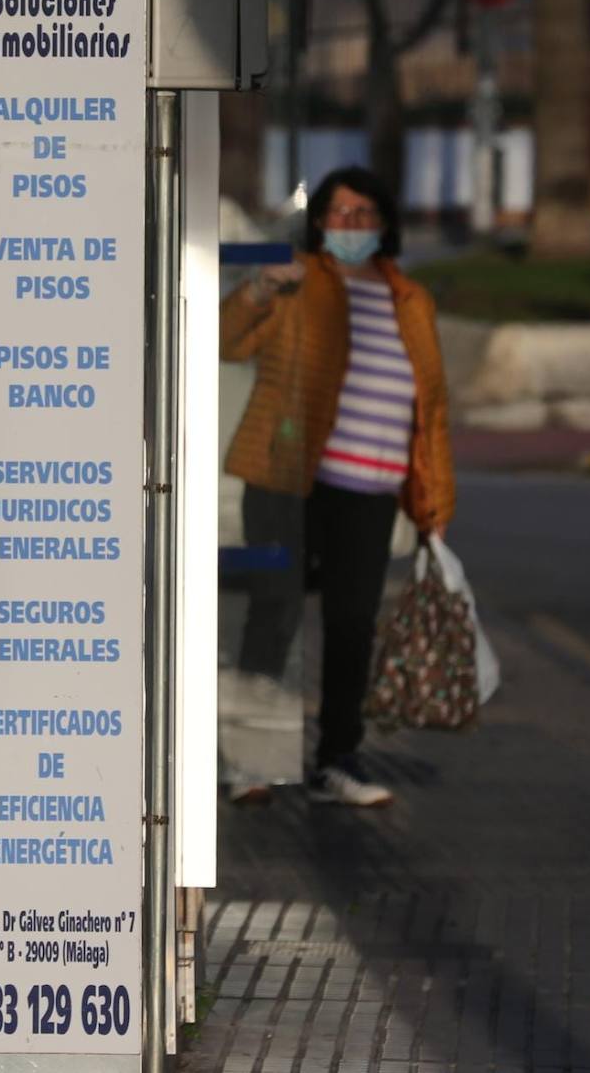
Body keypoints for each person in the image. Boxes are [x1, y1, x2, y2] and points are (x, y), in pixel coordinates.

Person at [220, 166, 454, 807]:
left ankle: (336, 762)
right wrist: (262, 286)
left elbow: (429, 409)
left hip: (369, 489)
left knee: (353, 625)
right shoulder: (298, 281)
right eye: (339, 214)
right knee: (277, 611)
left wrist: (433, 503)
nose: (351, 226)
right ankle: (250, 761)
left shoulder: (409, 300)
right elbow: (227, 341)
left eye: (364, 214)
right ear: (319, 222)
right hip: (289, 478)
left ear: (384, 224)